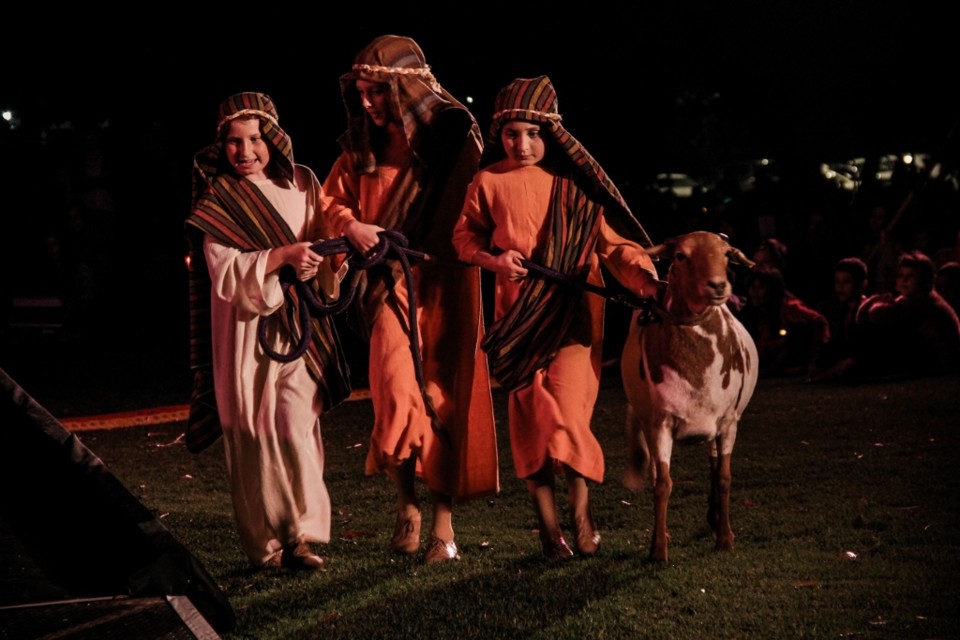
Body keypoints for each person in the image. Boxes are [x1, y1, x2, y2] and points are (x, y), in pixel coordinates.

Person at [452, 75, 659, 559]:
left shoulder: (575, 187)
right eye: (511, 134)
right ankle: (549, 529)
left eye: (533, 133)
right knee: (530, 423)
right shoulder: (487, 181)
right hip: (517, 321)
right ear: (499, 135)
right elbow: (464, 239)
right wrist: (494, 260)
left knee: (567, 415)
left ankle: (582, 515)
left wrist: (647, 281)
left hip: (572, 318)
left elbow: (614, 247)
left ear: (552, 134)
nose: (522, 145)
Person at [321, 35, 498, 563]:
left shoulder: (453, 142)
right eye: (361, 92)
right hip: (388, 284)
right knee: (396, 394)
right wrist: (351, 226)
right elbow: (331, 201)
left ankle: (443, 525)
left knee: (444, 399)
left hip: (447, 282)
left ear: (406, 90)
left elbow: (483, 206)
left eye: (377, 91)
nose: (367, 102)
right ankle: (407, 506)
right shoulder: (361, 148)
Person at [185, 92, 351, 571]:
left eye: (255, 139)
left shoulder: (303, 181)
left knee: (294, 422)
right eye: (234, 142)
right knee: (254, 430)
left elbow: (322, 237)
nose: (246, 151)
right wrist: (283, 256)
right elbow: (224, 271)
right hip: (245, 328)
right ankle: (270, 544)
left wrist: (327, 258)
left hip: (301, 326)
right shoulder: (219, 198)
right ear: (221, 146)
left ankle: (302, 534)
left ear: (273, 139)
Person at [856, 250, 960, 377]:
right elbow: (862, 319)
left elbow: (874, 316)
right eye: (901, 275)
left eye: (910, 276)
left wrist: (876, 299)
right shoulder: (912, 299)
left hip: (940, 362)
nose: (904, 280)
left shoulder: (921, 301)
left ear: (926, 281)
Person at [737, 265, 830, 378]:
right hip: (773, 356)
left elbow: (820, 321)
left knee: (797, 332)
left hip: (795, 357)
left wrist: (815, 359)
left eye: (761, 287)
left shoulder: (790, 307)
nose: (754, 292)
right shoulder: (757, 310)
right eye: (752, 287)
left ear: (773, 289)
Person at [808, 257, 869, 382]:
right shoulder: (841, 310)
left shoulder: (867, 311)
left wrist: (824, 376)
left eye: (846, 282)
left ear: (863, 284)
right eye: (837, 282)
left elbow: (858, 354)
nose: (840, 287)